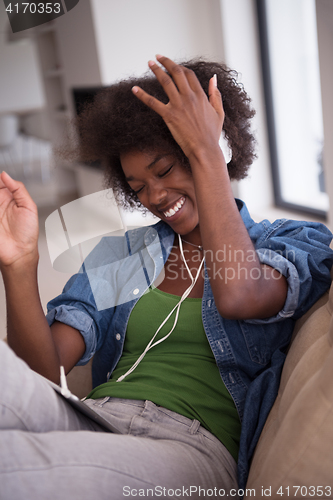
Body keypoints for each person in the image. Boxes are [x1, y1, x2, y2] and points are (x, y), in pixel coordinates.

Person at [0, 55, 333, 499]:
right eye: (138, 187)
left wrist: (205, 152)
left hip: (189, 450)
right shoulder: (126, 253)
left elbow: (240, 295)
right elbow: (44, 372)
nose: (154, 196)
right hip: (97, 418)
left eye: (165, 169)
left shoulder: (290, 241)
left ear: (219, 149)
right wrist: (19, 264)